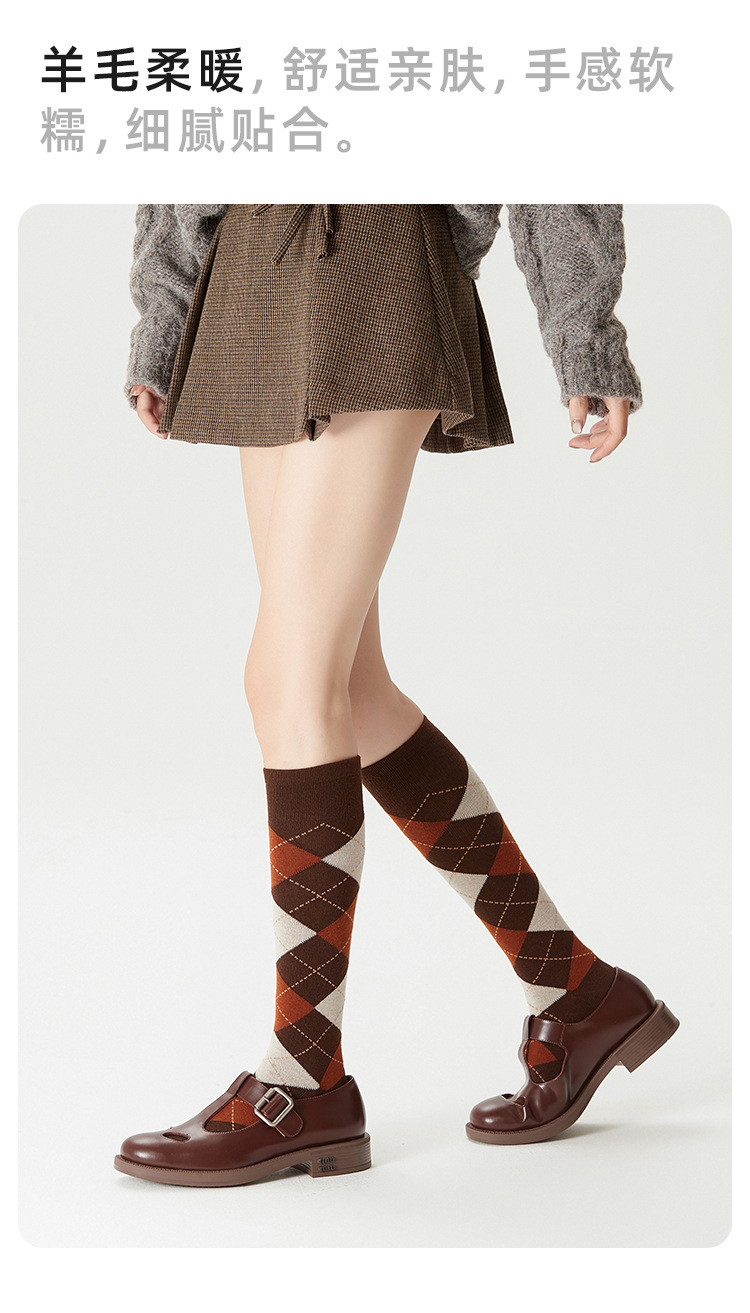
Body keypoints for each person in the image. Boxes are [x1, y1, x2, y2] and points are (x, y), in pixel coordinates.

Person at [114, 203, 678, 1188]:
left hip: (372, 258)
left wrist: (584, 331)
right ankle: (578, 991)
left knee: (289, 676)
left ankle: (305, 1077)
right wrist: (168, 313)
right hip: (250, 267)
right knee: (349, 689)